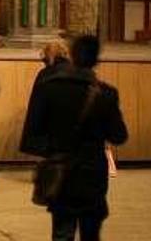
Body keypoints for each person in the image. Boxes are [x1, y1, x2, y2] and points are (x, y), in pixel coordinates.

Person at [21, 35, 128, 241]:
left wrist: (53, 150)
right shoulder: (106, 94)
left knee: (62, 232)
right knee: (91, 233)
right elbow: (119, 136)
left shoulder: (50, 87)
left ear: (73, 56)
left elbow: (32, 136)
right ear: (97, 59)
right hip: (93, 174)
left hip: (61, 172)